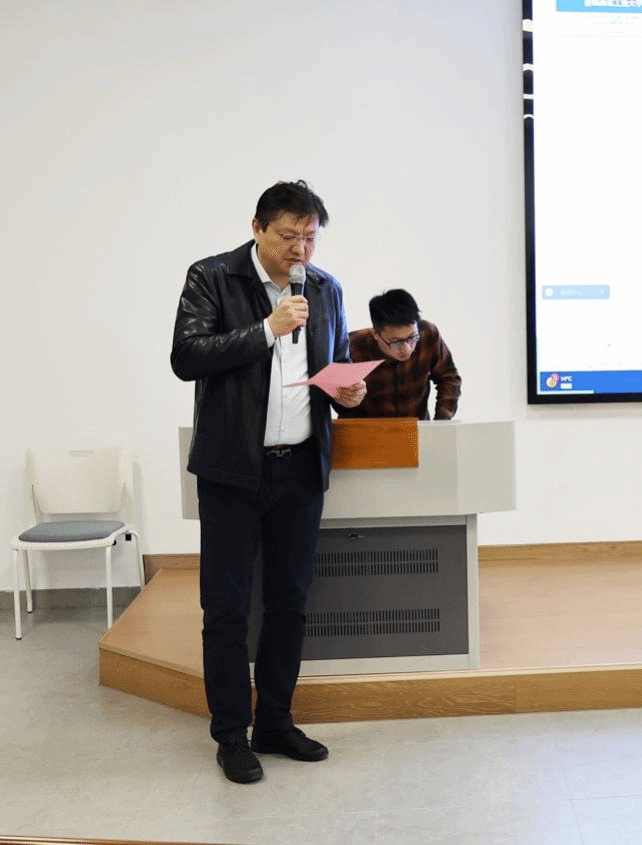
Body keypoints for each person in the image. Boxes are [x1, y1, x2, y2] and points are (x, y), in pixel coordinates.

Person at [170, 180, 367, 784]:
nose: (299, 249)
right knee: (227, 608)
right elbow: (187, 357)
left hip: (299, 469)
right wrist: (266, 328)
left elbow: (331, 366)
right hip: (232, 469)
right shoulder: (212, 276)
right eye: (288, 236)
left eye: (309, 237)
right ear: (257, 228)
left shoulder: (325, 288)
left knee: (289, 602)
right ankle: (231, 734)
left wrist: (348, 393)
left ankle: (275, 722)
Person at [338, 288, 461, 420]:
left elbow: (449, 378)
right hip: (366, 429)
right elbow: (337, 398)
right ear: (375, 334)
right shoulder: (351, 346)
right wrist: (346, 399)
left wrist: (441, 422)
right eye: (396, 342)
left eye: (412, 338)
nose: (406, 349)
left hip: (416, 428)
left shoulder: (428, 334)